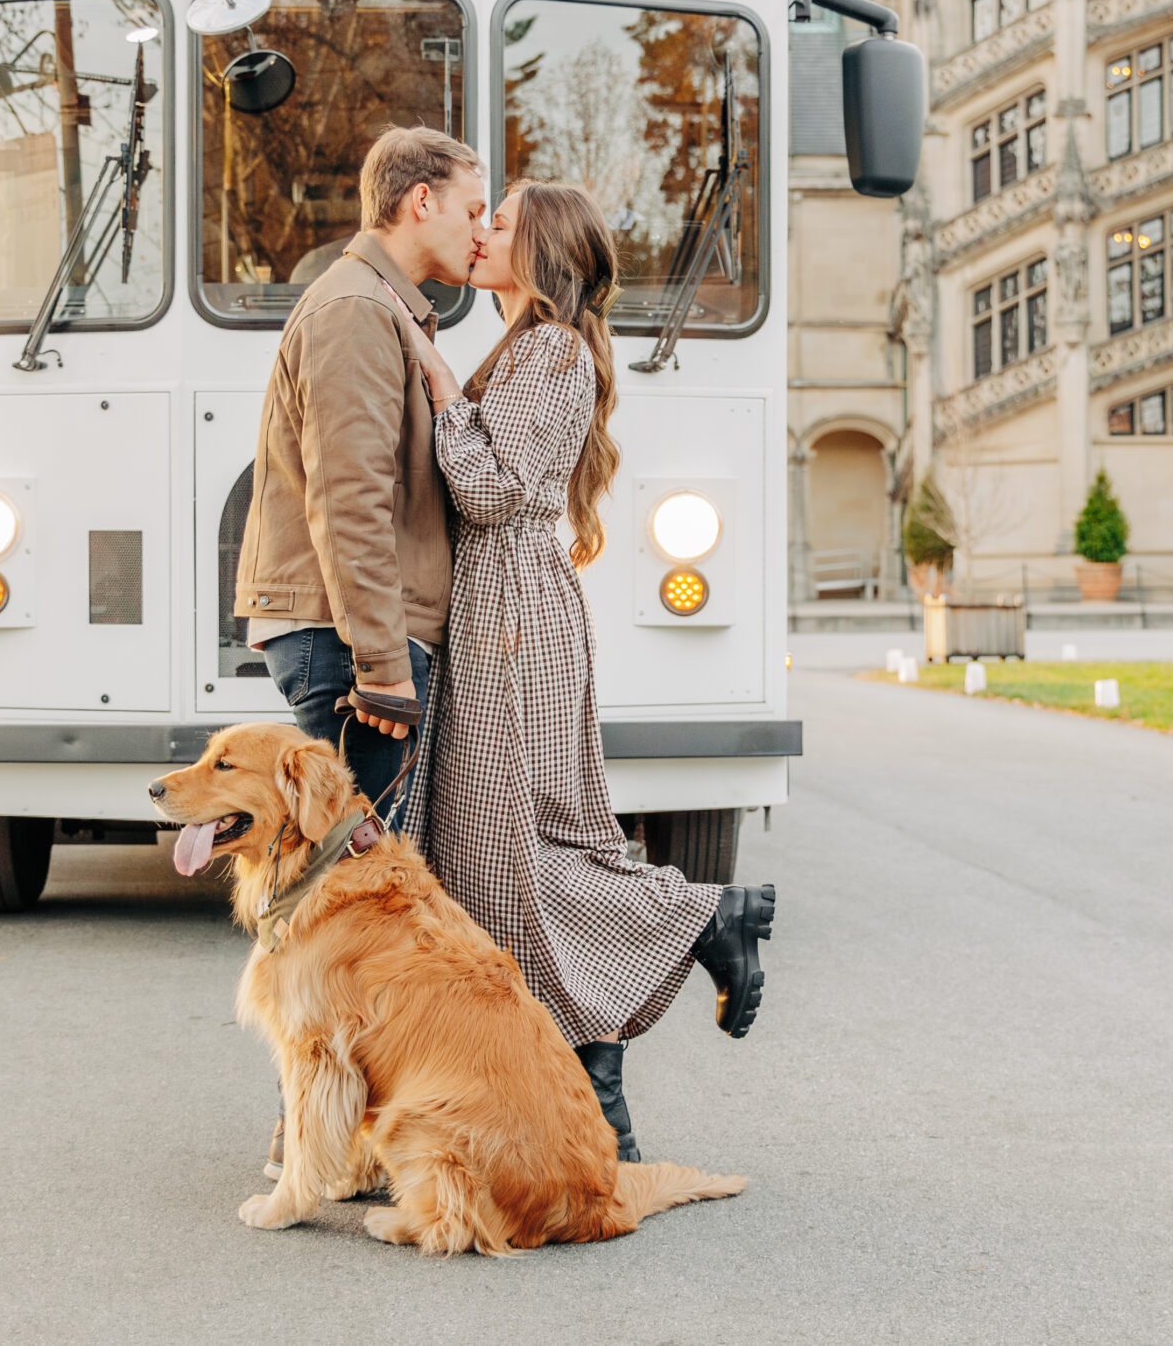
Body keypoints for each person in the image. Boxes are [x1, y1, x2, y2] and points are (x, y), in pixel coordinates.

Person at [387, 179, 775, 1164]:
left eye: (501, 225)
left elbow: (491, 490)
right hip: (509, 616)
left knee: (511, 858)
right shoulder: (530, 346)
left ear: (543, 251)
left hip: (511, 624)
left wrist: (439, 393)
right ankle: (601, 1107)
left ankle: (701, 917)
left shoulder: (551, 348)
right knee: (524, 851)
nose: (481, 234)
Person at [232, 125, 488, 1183]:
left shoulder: (383, 307)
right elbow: (349, 499)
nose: (482, 229)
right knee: (334, 913)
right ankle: (306, 1144)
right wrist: (383, 661)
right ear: (418, 200)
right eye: (473, 207)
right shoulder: (349, 310)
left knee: (343, 907)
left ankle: (321, 1137)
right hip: (350, 645)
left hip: (356, 636)